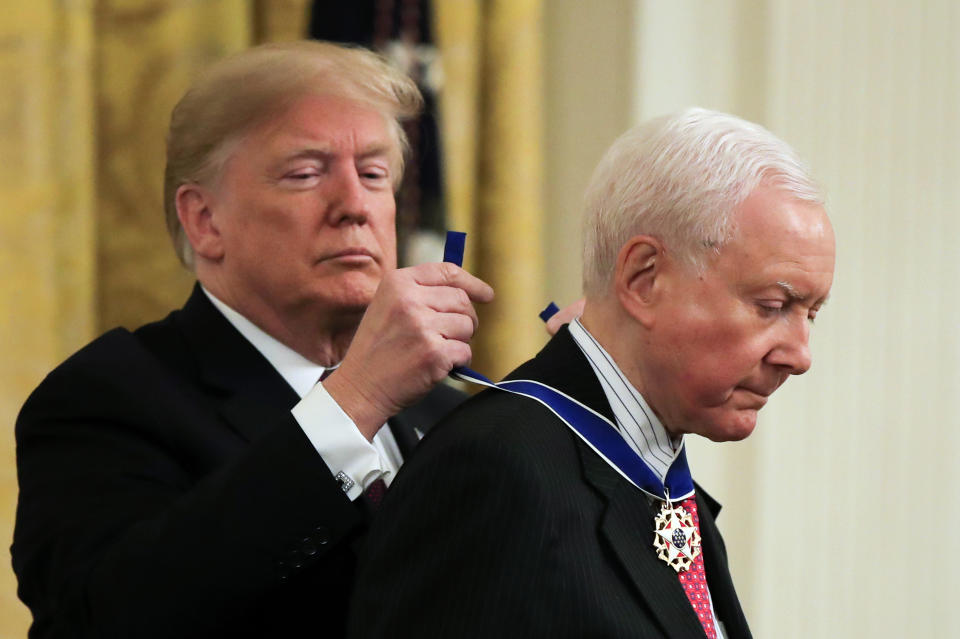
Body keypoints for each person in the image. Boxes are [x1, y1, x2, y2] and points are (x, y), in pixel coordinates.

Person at [11, 40, 494, 638]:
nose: (355, 206)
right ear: (205, 221)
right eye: (305, 173)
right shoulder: (108, 397)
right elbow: (102, 618)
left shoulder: (443, 411)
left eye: (373, 174)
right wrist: (355, 401)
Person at [349, 108, 836, 638]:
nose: (800, 355)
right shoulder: (496, 471)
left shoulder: (658, 475)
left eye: (810, 314)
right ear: (644, 278)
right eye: (772, 305)